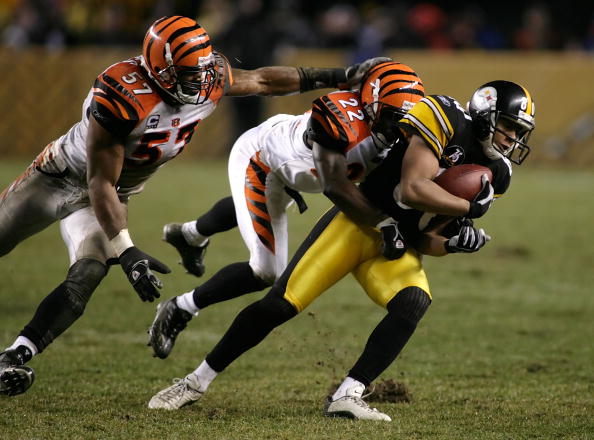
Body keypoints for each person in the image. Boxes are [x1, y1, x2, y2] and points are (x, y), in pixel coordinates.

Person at [0, 15, 378, 397]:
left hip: (112, 194)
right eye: (187, 73)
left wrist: (338, 76)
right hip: (59, 177)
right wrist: (127, 251)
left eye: (201, 69)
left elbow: (262, 80)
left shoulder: (208, 77)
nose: (200, 80)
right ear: (159, 69)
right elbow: (99, 181)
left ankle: (15, 356)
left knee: (87, 273)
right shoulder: (122, 93)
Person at [146, 80, 536, 420]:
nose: (511, 139)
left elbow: (425, 238)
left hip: (397, 243)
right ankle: (194, 382)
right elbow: (412, 189)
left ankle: (348, 393)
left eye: (519, 132)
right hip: (359, 222)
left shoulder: (498, 174)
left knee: (413, 302)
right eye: (508, 126)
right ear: (485, 114)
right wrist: (467, 208)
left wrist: (453, 243)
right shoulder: (445, 116)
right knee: (279, 305)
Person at [147, 60, 426, 359]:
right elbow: (335, 186)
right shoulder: (343, 119)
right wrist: (384, 222)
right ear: (370, 103)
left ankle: (189, 234)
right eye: (392, 117)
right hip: (262, 162)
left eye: (406, 121)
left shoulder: (395, 130)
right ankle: (181, 306)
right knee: (266, 270)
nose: (399, 129)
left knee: (262, 208)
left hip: (295, 166)